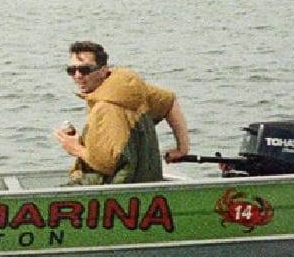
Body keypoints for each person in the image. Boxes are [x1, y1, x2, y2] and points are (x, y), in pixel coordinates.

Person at [50, 41, 191, 185]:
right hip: (146, 182)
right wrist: (182, 148)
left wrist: (76, 149)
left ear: (103, 70)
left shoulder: (106, 107)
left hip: (116, 189)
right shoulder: (128, 87)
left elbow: (109, 163)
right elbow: (169, 102)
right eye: (71, 70)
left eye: (85, 70)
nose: (77, 76)